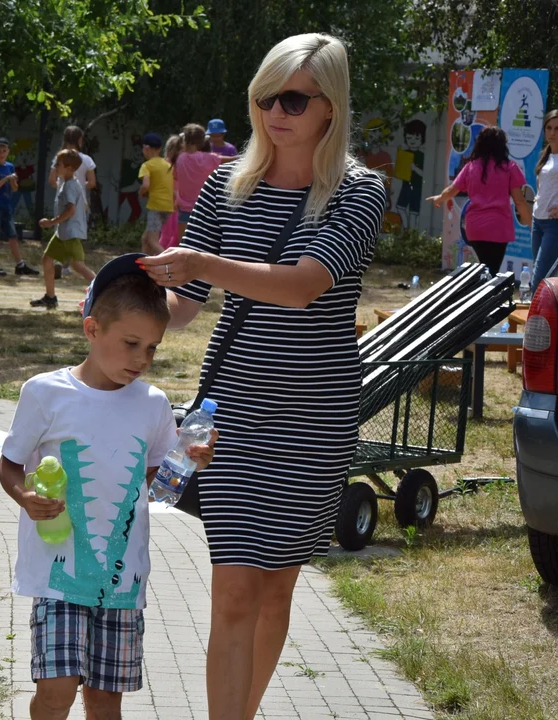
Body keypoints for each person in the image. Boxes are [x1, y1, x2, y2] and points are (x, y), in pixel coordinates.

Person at [139, 34, 388, 720]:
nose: (274, 110)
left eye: (292, 98)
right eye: (263, 95)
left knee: (276, 586)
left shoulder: (358, 191)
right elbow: (185, 307)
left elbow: (305, 285)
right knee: (234, 588)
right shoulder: (227, 183)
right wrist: (124, 317)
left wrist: (202, 265)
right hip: (235, 412)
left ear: (328, 107)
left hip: (313, 417)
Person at [0, 255, 216, 720]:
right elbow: (9, 465)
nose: (142, 359)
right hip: (58, 574)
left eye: (153, 348)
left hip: (122, 582)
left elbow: (160, 489)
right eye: (132, 343)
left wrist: (188, 463)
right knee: (55, 692)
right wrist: (25, 498)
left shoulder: (153, 404)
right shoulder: (45, 393)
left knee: (103, 703)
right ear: (92, 329)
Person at [427, 126, 531, 274]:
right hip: (498, 228)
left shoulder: (471, 167)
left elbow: (452, 190)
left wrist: (439, 198)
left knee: (485, 268)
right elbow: (519, 202)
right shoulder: (509, 168)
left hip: (475, 228)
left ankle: (477, 292)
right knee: (492, 271)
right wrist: (531, 224)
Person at [31, 150, 96, 308]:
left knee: (77, 265)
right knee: (47, 259)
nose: (55, 167)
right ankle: (50, 297)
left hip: (71, 233)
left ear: (70, 169)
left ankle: (105, 289)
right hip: (63, 233)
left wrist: (51, 222)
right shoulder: (68, 184)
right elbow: (84, 206)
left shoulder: (70, 186)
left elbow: (70, 210)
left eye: (58, 165)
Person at [0, 137, 40, 278]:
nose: (1, 153)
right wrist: (4, 179)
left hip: (6, 206)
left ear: (8, 152)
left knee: (13, 236)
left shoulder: (10, 167)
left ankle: (20, 264)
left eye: (4, 151)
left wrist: (13, 181)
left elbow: (15, 189)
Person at [49, 125, 99, 279]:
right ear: (80, 140)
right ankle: (66, 262)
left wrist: (63, 186)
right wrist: (77, 186)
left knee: (61, 227)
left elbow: (52, 181)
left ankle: (60, 260)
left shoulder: (59, 158)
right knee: (74, 231)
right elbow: (92, 183)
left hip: (61, 199)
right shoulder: (86, 159)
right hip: (79, 202)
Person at [532, 108, 558, 282]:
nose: (552, 132)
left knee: (539, 277)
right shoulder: (545, 155)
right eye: (549, 128)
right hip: (537, 222)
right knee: (547, 278)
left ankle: (536, 309)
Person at [174, 123, 225, 241]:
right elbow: (230, 160)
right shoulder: (208, 158)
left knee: (183, 246)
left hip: (184, 211)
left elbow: (176, 177)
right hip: (204, 210)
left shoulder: (180, 158)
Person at [138, 133, 174, 255]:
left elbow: (145, 185)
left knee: (152, 241)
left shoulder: (146, 165)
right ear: (159, 149)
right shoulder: (168, 165)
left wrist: (141, 192)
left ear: (146, 148)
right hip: (168, 207)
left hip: (155, 206)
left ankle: (168, 263)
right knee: (145, 239)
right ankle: (144, 267)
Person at [159, 134, 184, 250]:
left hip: (176, 205)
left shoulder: (179, 164)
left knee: (174, 236)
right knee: (168, 235)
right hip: (169, 205)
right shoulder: (167, 164)